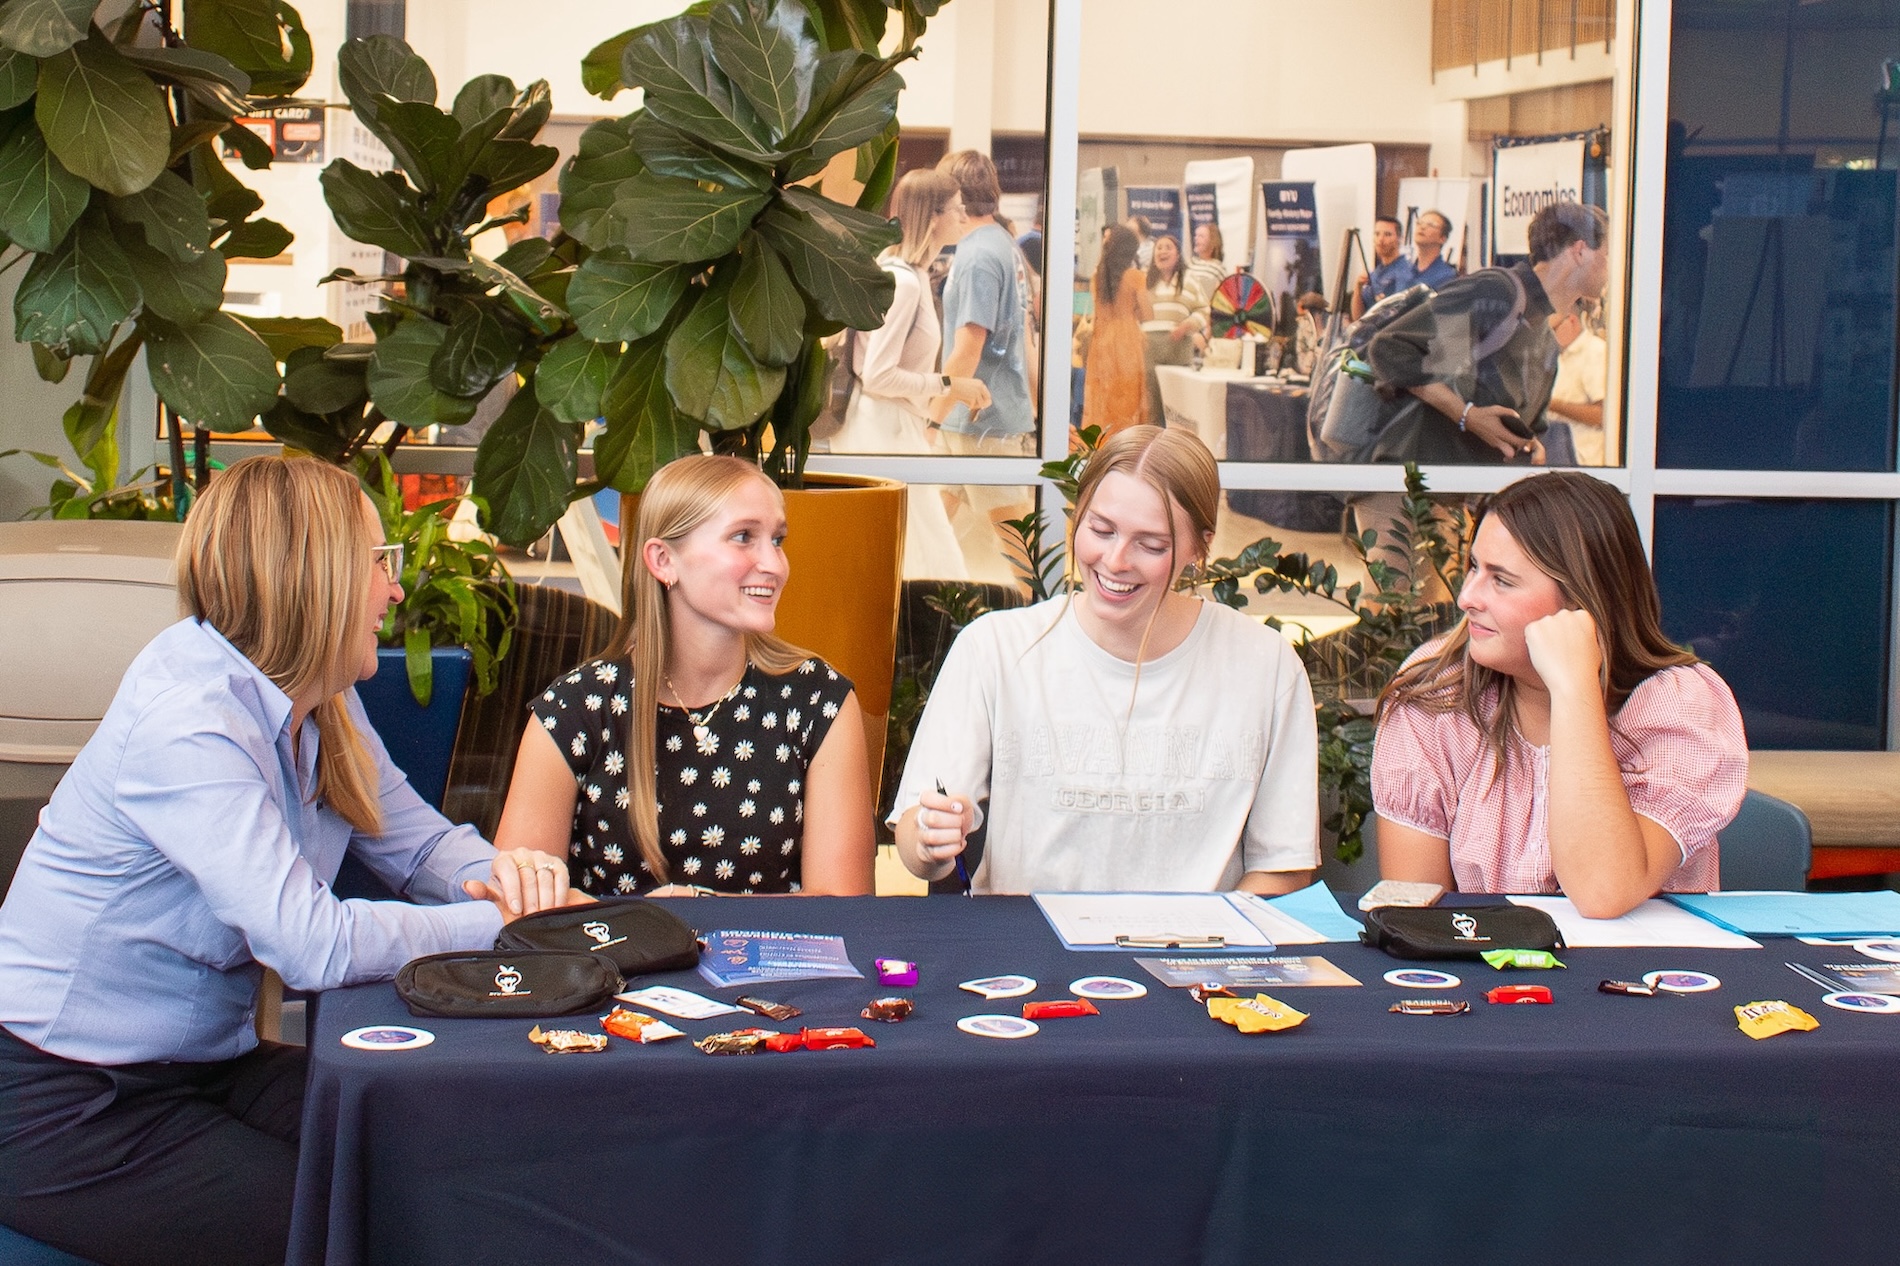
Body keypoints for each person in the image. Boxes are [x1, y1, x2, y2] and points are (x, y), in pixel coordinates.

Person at [0, 457, 566, 1266]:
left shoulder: (320, 698)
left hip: (202, 1069)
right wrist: (503, 923)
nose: (396, 591)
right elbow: (313, 944)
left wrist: (515, 875)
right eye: (381, 563)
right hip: (65, 1102)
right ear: (315, 577)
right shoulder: (190, 721)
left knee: (454, 1149)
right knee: (361, 1223)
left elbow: (420, 843)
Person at [891, 425, 1320, 894]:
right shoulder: (995, 649)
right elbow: (916, 844)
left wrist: (1208, 950)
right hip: (1034, 955)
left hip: (1196, 958)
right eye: (1101, 530)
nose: (1115, 560)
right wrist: (931, 842)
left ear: (1199, 547)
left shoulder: (1265, 666)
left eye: (1151, 545)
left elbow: (1285, 865)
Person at [496, 454, 876, 898]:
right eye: (743, 537)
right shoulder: (577, 709)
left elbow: (845, 910)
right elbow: (516, 904)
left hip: (774, 971)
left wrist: (695, 908)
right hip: (608, 967)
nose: (775, 564)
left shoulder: (817, 701)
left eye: (777, 540)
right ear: (663, 560)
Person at [1372, 472, 1746, 918]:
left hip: (1647, 976)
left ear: (1580, 602)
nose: (1466, 597)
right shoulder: (1436, 690)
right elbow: (1417, 916)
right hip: (1480, 976)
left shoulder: (1681, 703)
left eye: (1502, 580)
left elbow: (1604, 891)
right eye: (1474, 567)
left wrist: (1573, 686)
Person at [827, 169, 990, 578]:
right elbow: (878, 374)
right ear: (933, 216)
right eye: (957, 209)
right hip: (884, 429)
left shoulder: (908, 275)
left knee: (913, 551)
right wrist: (950, 384)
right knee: (929, 555)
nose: (964, 217)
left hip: (893, 427)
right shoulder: (903, 282)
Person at [1364, 201, 1611, 464]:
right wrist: (1466, 415)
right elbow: (1390, 348)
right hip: (1409, 487)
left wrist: (1527, 445)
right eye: (1607, 254)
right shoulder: (1497, 293)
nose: (1612, 266)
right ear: (1581, 251)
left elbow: (1514, 422)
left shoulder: (1544, 338)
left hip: (1461, 494)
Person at [935, 150, 1037, 535]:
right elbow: (1024, 336)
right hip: (977, 416)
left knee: (1018, 541)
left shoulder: (978, 255)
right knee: (931, 528)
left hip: (979, 420)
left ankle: (1044, 598)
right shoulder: (1004, 244)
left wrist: (933, 413)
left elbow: (968, 348)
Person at [1081, 223, 1152, 437]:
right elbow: (1149, 314)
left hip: (1101, 340)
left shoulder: (1097, 277)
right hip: (1127, 342)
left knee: (1101, 398)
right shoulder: (1136, 277)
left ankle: (1100, 446)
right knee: (1128, 399)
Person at [1140, 233, 1206, 425]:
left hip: (1179, 350)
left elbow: (1204, 311)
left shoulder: (1190, 280)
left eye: (1168, 247)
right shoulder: (1144, 280)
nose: (1162, 251)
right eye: (1159, 248)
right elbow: (1133, 311)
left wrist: (1188, 325)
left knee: (1178, 407)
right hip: (1149, 351)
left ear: (1178, 254)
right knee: (1151, 406)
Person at [1544, 304, 1608, 465]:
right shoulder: (1558, 357)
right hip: (1557, 451)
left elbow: (1602, 415)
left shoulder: (1595, 352)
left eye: (1553, 330)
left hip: (1584, 459)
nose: (1548, 337)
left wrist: (1551, 404)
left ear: (1571, 321)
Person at [1351, 214, 1409, 319]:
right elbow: (1357, 317)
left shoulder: (1405, 272)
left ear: (1399, 238)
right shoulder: (1375, 273)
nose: (1381, 239)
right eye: (1377, 234)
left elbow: (1399, 315)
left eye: (1387, 234)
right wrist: (1358, 287)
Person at [1409, 209, 1458, 290]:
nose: (1422, 227)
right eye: (1419, 223)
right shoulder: (1404, 271)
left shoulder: (1447, 276)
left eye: (1431, 225)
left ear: (1443, 238)